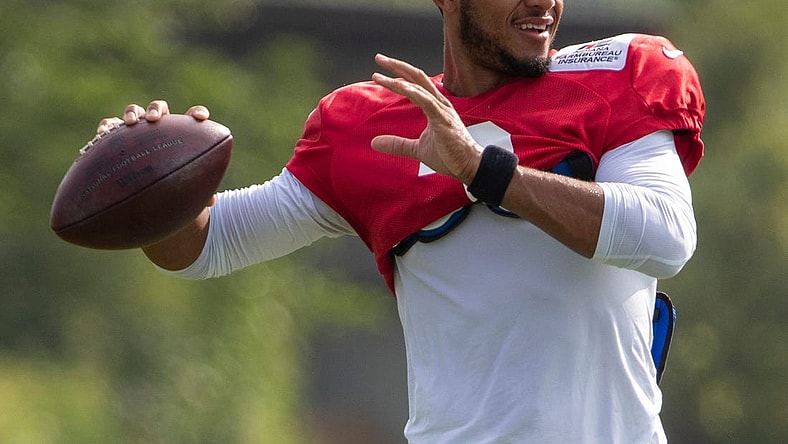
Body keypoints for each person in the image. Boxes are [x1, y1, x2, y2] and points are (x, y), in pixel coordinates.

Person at [98, 0, 705, 442]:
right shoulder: (369, 127)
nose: (542, 1)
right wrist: (146, 182)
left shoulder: (617, 77)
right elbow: (207, 245)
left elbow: (666, 236)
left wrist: (483, 170)